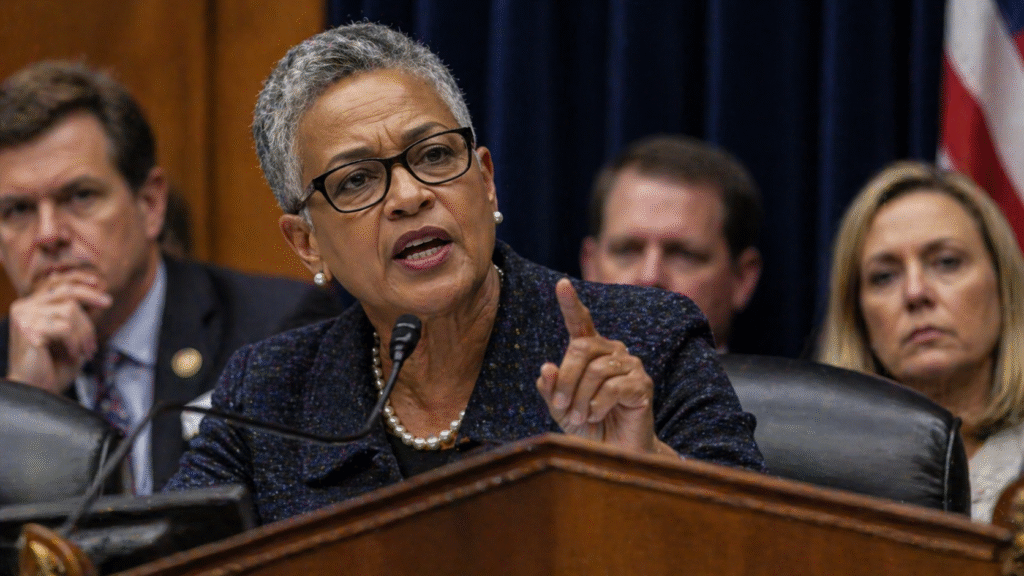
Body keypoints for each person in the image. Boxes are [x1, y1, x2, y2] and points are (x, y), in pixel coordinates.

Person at [166, 22, 764, 525]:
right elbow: (162, 555)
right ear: (306, 243)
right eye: (356, 181)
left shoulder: (645, 341)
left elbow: (763, 549)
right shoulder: (267, 392)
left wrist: (649, 472)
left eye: (432, 156)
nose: (407, 196)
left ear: (484, 180)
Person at [0, 61, 343, 494]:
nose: (48, 235)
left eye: (79, 196)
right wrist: (25, 409)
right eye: (17, 211)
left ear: (150, 204)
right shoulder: (9, 384)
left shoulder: (274, 331)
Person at [815, 160, 1024, 522]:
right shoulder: (814, 474)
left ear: (1002, 288)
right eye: (884, 276)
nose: (915, 293)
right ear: (859, 319)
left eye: (946, 262)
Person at [580, 135, 762, 352]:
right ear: (590, 266)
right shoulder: (538, 384)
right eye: (627, 251)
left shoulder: (795, 386)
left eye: (684, 255)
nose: (650, 277)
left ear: (742, 279)